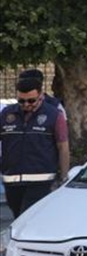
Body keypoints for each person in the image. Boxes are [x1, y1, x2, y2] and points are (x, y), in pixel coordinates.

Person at [1, 75, 70, 217]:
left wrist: (64, 177)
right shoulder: (7, 114)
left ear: (41, 96)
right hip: (11, 180)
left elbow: (63, 146)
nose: (26, 104)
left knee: (27, 217)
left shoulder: (54, 115)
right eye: (21, 101)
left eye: (31, 100)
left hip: (41, 180)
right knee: (17, 217)